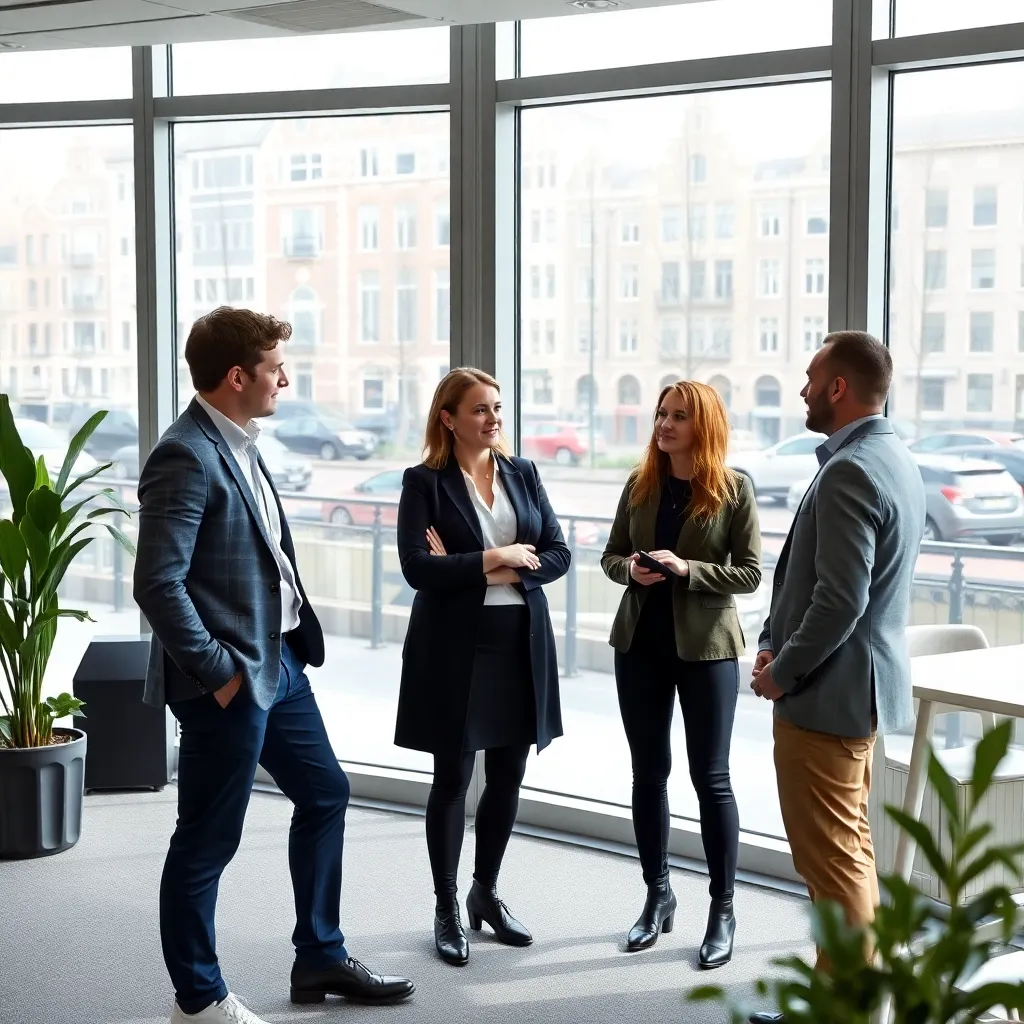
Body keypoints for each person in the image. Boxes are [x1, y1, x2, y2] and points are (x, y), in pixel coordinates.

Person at [134, 307, 414, 1024]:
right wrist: (219, 673)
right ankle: (198, 999)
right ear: (238, 376)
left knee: (325, 793)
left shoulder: (242, 443)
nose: (284, 380)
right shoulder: (185, 454)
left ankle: (319, 955)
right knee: (207, 839)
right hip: (228, 680)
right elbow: (157, 584)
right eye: (275, 368)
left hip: (281, 661)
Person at [746, 331, 926, 1024]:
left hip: (826, 696)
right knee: (846, 854)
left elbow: (841, 601)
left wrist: (783, 673)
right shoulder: (892, 456)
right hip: (856, 692)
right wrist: (773, 641)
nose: (802, 390)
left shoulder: (852, 469)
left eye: (811, 377)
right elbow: (815, 584)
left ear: (839, 387)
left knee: (834, 863)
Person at [395, 367, 570, 967]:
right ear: (448, 419)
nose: (494, 418)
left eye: (496, 407)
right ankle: (445, 906)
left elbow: (558, 553)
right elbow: (418, 568)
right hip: (456, 646)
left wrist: (474, 566)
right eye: (479, 409)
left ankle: (485, 893)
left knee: (509, 774)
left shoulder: (523, 473)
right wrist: (498, 556)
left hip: (520, 639)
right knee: (453, 777)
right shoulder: (424, 482)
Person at [601, 380, 761, 969]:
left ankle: (723, 908)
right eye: (661, 414)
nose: (664, 425)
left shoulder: (734, 489)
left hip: (707, 649)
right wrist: (631, 571)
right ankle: (658, 894)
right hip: (639, 644)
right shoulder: (639, 484)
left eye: (678, 416)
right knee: (648, 774)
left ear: (704, 425)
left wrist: (688, 568)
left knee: (711, 778)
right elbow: (610, 555)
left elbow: (750, 574)